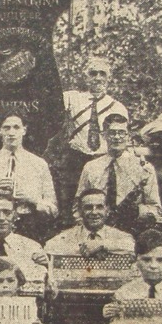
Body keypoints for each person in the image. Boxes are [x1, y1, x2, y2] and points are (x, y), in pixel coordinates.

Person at [0, 113, 58, 238]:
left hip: (31, 229)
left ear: (24, 130)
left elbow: (53, 211)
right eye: (6, 128)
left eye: (16, 127)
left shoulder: (39, 164)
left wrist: (32, 199)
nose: (11, 132)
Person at [57, 56, 129, 212]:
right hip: (75, 159)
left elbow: (122, 138)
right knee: (72, 203)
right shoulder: (72, 98)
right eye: (93, 73)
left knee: (100, 202)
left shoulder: (118, 107)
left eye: (102, 74)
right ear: (86, 77)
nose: (98, 78)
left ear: (109, 78)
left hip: (103, 159)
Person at [76, 112, 162, 231]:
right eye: (112, 133)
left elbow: (156, 210)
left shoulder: (144, 168)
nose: (117, 137)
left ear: (128, 136)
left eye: (122, 133)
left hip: (131, 230)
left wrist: (137, 211)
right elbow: (77, 208)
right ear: (103, 135)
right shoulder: (90, 167)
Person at [44, 188, 137, 258]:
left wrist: (101, 245)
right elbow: (49, 247)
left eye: (99, 207)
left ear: (107, 210)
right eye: (88, 207)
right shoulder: (68, 235)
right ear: (80, 210)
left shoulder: (120, 236)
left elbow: (133, 247)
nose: (94, 212)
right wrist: (79, 249)